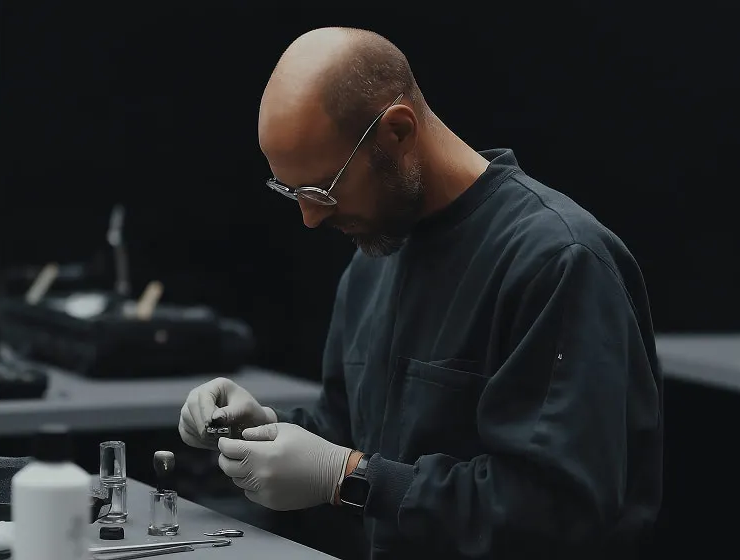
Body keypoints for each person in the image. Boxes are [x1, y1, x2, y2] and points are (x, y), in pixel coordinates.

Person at [179, 27, 663, 559]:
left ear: (398, 131)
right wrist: (265, 432)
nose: (310, 218)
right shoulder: (374, 261)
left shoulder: (557, 263)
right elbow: (353, 435)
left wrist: (347, 479)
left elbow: (555, 512)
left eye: (321, 191)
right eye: (291, 192)